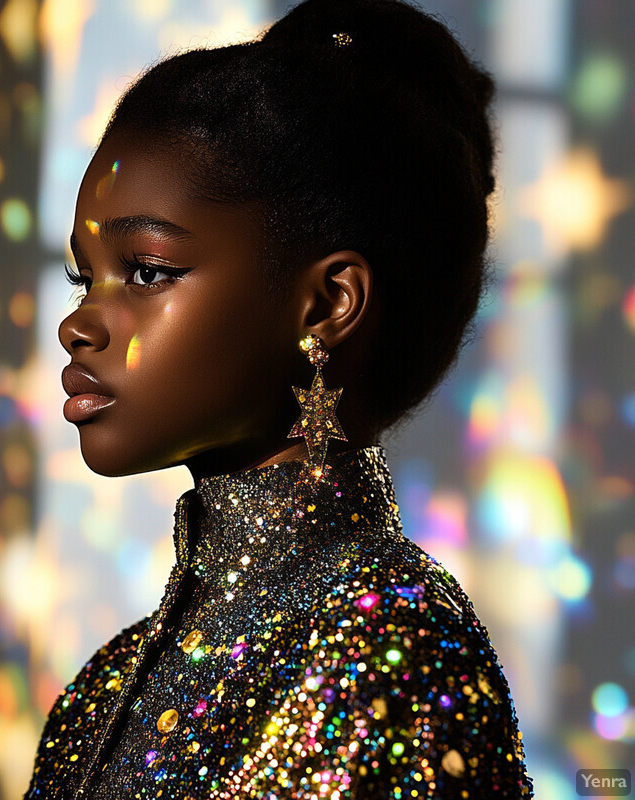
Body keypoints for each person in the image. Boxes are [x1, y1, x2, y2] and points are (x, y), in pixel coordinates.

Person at [26, 0, 535, 797]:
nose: (79, 323)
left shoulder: (385, 644)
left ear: (329, 304)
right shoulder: (103, 689)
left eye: (149, 270)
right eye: (84, 276)